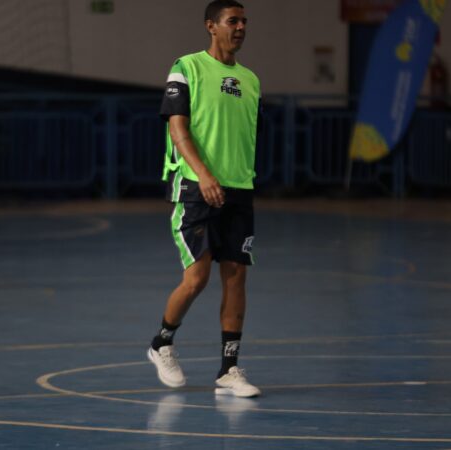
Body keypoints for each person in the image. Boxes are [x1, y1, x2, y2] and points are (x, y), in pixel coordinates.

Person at [147, 0, 262, 398]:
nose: (241, 27)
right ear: (211, 26)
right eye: (233, 21)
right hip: (196, 186)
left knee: (236, 276)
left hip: (239, 189)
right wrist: (205, 175)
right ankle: (162, 342)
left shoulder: (251, 79)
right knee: (197, 277)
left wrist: (240, 182)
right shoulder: (186, 67)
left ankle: (228, 369)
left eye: (245, 21)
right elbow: (179, 129)